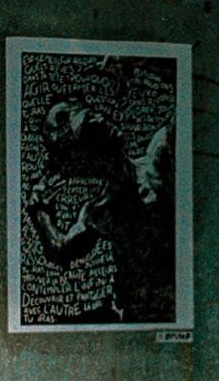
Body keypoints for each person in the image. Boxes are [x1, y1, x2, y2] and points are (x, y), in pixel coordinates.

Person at [26, 98, 175, 324]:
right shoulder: (102, 212)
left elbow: (61, 248)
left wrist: (40, 211)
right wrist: (40, 212)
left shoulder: (161, 157)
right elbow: (62, 250)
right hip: (145, 314)